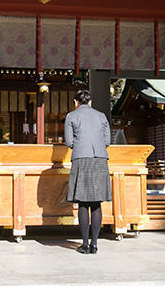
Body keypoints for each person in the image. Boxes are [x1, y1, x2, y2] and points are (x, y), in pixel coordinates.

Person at [64, 89, 112, 254]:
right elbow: (107, 140)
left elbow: (69, 141)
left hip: (81, 158)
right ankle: (95, 244)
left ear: (76, 102)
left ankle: (85, 245)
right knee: (96, 202)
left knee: (83, 202)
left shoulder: (72, 116)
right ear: (90, 101)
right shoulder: (101, 116)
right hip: (99, 158)